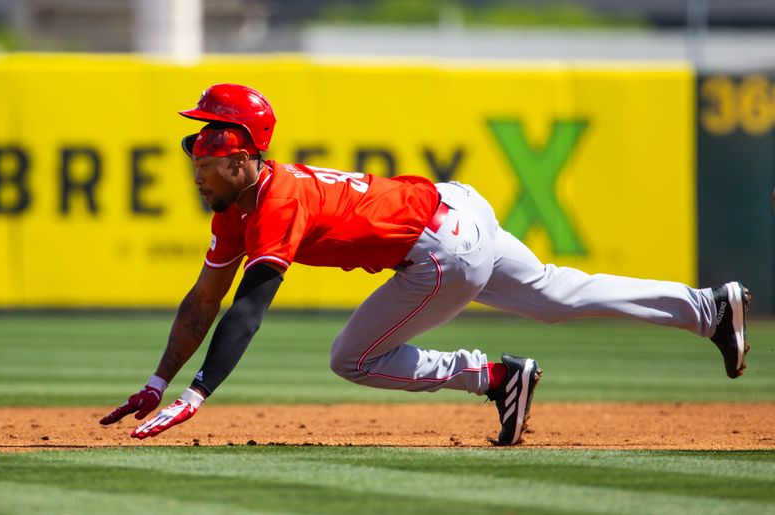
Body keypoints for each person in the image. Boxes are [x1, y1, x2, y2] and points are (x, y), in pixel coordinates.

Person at [100, 83, 751, 446]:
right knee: (557, 296)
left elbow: (249, 305)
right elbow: (204, 301)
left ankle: (492, 375)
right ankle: (708, 308)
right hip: (454, 209)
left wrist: (197, 392)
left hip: (438, 248)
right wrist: (158, 381)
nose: (198, 166)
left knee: (350, 358)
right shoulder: (232, 212)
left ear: (243, 156)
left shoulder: (278, 199)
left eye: (209, 152)